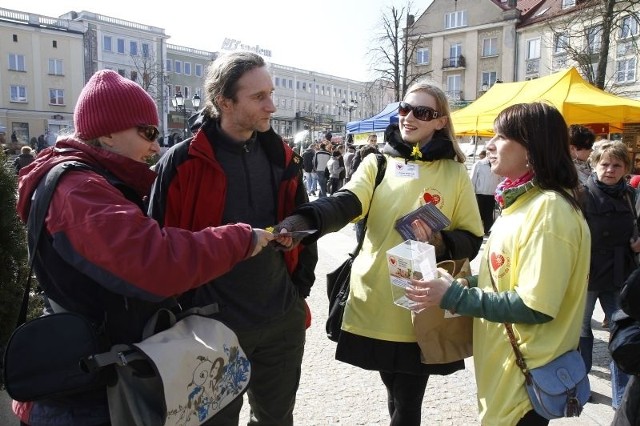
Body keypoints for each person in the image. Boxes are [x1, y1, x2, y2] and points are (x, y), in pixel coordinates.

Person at [12, 69, 275, 426]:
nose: (155, 145)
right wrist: (240, 238)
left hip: (95, 376)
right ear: (106, 132)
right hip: (86, 396)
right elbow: (155, 261)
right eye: (147, 132)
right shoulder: (79, 189)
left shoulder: (85, 180)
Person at [274, 82, 484, 425]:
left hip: (421, 304)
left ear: (440, 122)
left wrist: (440, 240)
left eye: (423, 112)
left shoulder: (455, 173)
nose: (409, 117)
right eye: (405, 108)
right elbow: (347, 202)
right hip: (378, 300)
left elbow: (472, 237)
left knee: (408, 399)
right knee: (396, 390)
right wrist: (305, 219)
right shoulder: (377, 163)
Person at [147, 51, 318, 426]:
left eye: (271, 93)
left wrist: (298, 285)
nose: (272, 106)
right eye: (259, 97)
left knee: (277, 420)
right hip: (211, 327)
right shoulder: (182, 162)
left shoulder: (283, 157)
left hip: (280, 321)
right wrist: (181, 315)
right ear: (224, 101)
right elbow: (157, 245)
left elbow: (306, 221)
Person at [407, 102, 591, 425]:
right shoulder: (521, 204)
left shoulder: (549, 210)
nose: (489, 145)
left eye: (501, 136)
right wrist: (464, 283)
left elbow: (535, 305)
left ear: (532, 148)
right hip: (505, 380)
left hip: (523, 384)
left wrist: (453, 297)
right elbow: (504, 276)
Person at [578, 140, 639, 410]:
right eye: (605, 164)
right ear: (595, 165)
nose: (610, 169)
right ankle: (580, 388)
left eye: (617, 165)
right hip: (587, 274)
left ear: (626, 168)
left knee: (623, 333)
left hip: (619, 273)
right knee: (580, 334)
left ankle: (621, 397)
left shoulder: (631, 195)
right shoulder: (581, 194)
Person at [470, 149, 503, 235]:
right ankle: (476, 230)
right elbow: (472, 179)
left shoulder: (498, 164)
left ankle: (488, 230)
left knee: (489, 214)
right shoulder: (479, 164)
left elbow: (501, 179)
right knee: (478, 213)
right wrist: (471, 193)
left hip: (492, 194)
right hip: (480, 194)